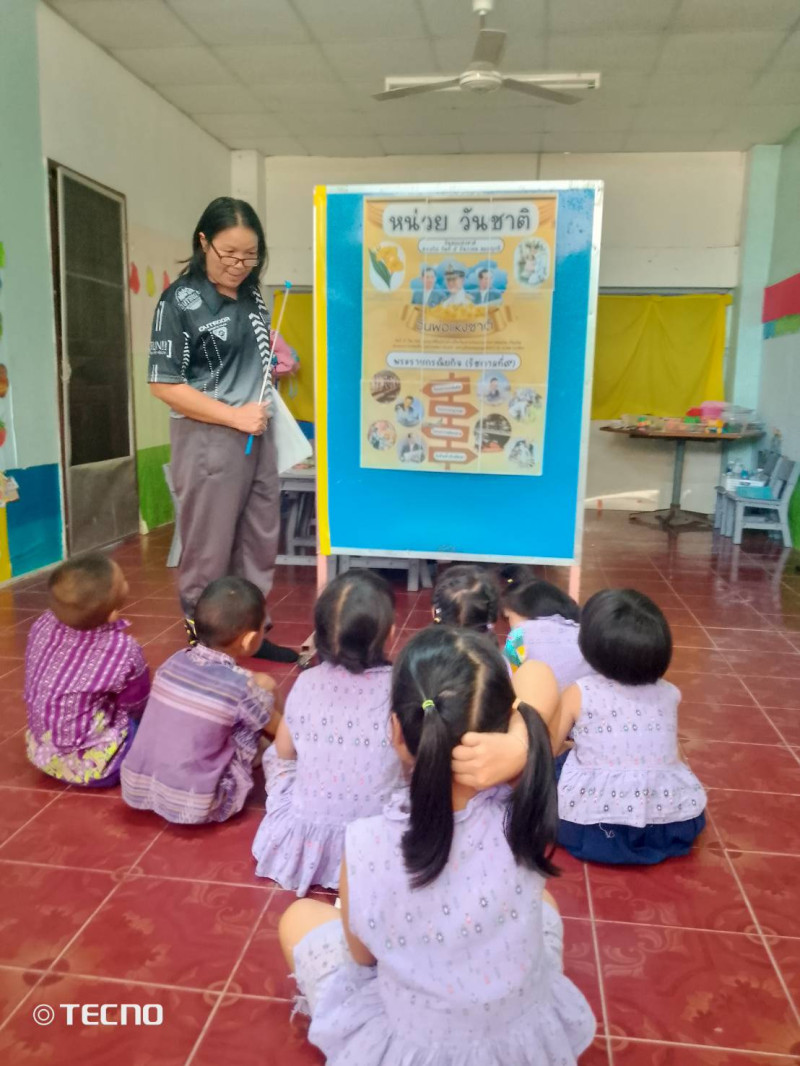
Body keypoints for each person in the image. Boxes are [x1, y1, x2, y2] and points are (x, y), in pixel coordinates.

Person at [277, 626, 596, 1066]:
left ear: (397, 732)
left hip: (412, 1046)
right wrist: (520, 745)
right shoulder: (521, 808)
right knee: (546, 905)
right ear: (504, 724)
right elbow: (537, 673)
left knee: (297, 917)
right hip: (515, 1039)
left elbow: (363, 958)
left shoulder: (366, 843)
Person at [147, 196, 298, 663]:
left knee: (258, 539)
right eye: (228, 253)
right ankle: (206, 647)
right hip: (209, 436)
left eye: (249, 255)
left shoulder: (252, 293)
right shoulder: (179, 301)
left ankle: (249, 633)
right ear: (203, 242)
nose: (238, 265)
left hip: (258, 431)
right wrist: (233, 416)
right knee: (209, 550)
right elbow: (163, 384)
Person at [252, 571, 403, 895]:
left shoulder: (306, 682)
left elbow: (284, 752)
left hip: (309, 829)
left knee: (278, 760)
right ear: (389, 633)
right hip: (380, 828)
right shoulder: (400, 688)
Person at [552, 589, 707, 864]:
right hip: (668, 823)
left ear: (590, 646)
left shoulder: (580, 691)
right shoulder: (668, 692)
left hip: (592, 824)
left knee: (554, 767)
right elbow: (674, 754)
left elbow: (548, 746)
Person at [121, 577, 280, 824]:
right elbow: (281, 730)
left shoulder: (173, 661)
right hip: (203, 803)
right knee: (265, 689)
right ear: (248, 640)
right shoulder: (241, 688)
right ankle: (282, 764)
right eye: (265, 628)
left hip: (137, 787)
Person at [24, 554, 149, 787]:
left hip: (42, 754)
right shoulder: (122, 649)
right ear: (113, 614)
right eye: (122, 581)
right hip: (97, 770)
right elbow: (136, 704)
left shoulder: (42, 624)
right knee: (151, 721)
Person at [500, 567, 591, 691]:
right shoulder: (582, 631)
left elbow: (506, 676)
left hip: (539, 699)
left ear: (524, 611)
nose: (510, 625)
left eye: (509, 617)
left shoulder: (518, 635)